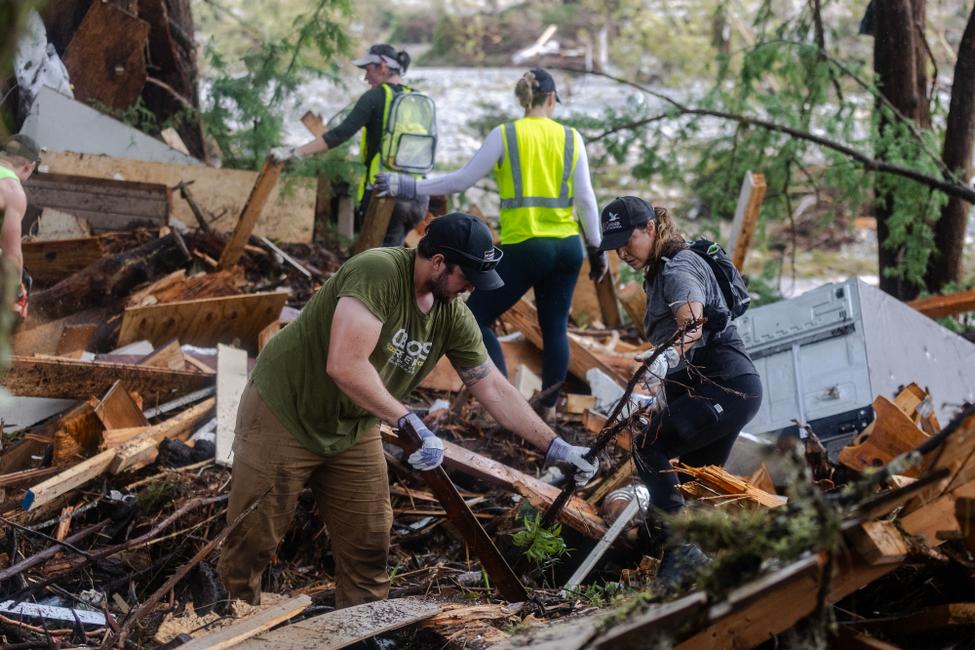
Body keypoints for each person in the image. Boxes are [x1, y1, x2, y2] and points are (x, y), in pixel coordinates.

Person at [217, 213, 598, 607]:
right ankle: (225, 622)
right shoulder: (377, 272)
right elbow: (345, 364)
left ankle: (362, 632)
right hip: (285, 412)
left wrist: (556, 447)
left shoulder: (451, 312)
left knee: (368, 541)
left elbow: (493, 387)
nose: (471, 288)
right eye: (467, 276)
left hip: (352, 423)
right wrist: (407, 418)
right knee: (254, 539)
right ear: (438, 263)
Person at [377, 68, 606, 420]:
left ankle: (505, 402)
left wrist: (404, 186)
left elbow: (461, 180)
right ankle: (546, 410)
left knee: (476, 316)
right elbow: (587, 201)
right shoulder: (572, 137)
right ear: (550, 99)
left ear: (522, 99)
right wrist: (597, 250)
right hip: (568, 248)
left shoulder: (507, 135)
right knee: (555, 327)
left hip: (527, 244)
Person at [596, 196, 762, 580]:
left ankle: (682, 556)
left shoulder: (678, 268)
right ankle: (694, 568)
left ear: (651, 228)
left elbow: (692, 325)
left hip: (726, 385)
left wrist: (663, 362)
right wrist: (656, 389)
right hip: (727, 387)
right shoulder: (659, 271)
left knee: (649, 447)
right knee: (689, 481)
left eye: (627, 241)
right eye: (615, 246)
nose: (622, 252)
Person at [271, 44, 430, 246]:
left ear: (382, 66)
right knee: (394, 261)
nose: (365, 78)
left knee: (380, 267)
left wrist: (295, 152)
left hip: (387, 198)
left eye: (368, 70)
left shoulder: (376, 97)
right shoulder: (417, 98)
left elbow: (338, 135)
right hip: (418, 198)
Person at [0, 134, 40, 318]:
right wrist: (17, 296)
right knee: (22, 279)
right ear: (28, 166)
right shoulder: (12, 190)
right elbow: (12, 254)